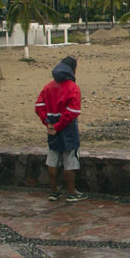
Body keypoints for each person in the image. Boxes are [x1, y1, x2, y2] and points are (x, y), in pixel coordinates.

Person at [34, 56, 88, 202]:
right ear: (73, 70)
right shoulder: (72, 87)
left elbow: (39, 106)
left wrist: (48, 123)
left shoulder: (49, 86)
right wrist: (59, 126)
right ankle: (71, 193)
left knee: (53, 159)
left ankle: (54, 191)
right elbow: (73, 112)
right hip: (67, 129)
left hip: (51, 126)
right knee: (70, 160)